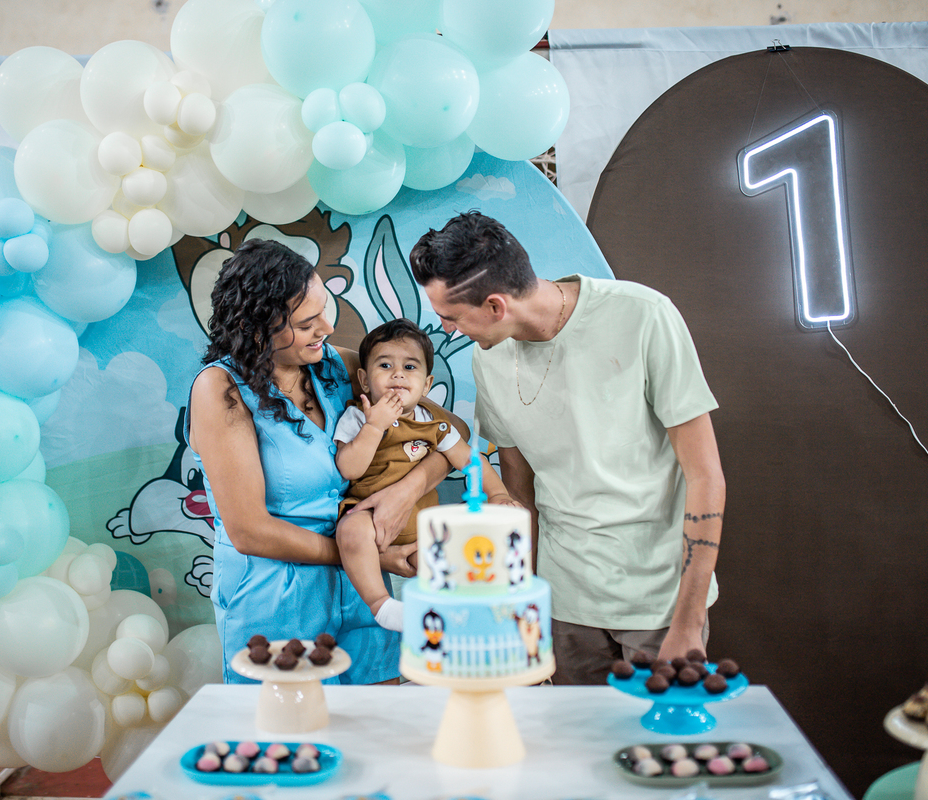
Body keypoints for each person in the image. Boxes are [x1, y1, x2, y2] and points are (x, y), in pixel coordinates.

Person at [409, 211, 726, 684]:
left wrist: (688, 619)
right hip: (563, 605)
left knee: (654, 731)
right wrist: (524, 609)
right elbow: (519, 492)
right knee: (573, 732)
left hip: (659, 603)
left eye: (450, 317)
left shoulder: (643, 315)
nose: (447, 329)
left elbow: (705, 476)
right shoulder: (487, 358)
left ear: (495, 306)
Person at [184, 239, 456, 683]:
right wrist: (370, 558)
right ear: (256, 328)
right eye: (306, 323)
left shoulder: (336, 367)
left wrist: (407, 491)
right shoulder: (221, 391)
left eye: (323, 310)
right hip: (277, 604)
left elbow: (449, 432)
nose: (327, 328)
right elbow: (249, 531)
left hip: (363, 597)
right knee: (295, 723)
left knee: (378, 718)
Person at [333, 318, 520, 632]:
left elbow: (469, 460)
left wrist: (498, 493)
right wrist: (375, 426)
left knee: (451, 567)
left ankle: (468, 619)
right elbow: (349, 468)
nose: (397, 374)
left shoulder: (434, 423)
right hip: (369, 518)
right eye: (385, 365)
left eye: (409, 367)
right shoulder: (358, 416)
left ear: (426, 384)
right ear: (364, 380)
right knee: (350, 530)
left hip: (421, 527)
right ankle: (382, 605)